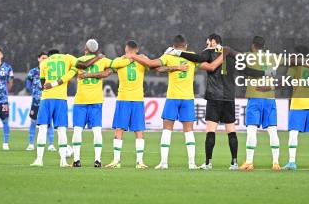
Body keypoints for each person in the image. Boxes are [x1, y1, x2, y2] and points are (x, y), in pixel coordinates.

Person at [129, 35, 221, 170]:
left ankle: (164, 163)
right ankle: (191, 164)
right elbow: (210, 67)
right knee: (189, 131)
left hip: (172, 98)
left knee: (167, 130)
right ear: (186, 45)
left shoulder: (168, 55)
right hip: (188, 98)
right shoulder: (192, 56)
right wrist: (223, 55)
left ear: (174, 46)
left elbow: (151, 65)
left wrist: (133, 56)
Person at [71, 39, 128, 168]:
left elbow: (82, 67)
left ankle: (76, 160)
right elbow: (116, 64)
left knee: (77, 130)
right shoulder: (103, 60)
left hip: (80, 100)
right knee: (97, 130)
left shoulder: (78, 60)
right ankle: (97, 160)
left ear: (85, 48)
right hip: (96, 100)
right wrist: (128, 58)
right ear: (97, 49)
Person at [101, 40, 148, 169]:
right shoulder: (142, 59)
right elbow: (151, 65)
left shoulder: (119, 60)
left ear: (126, 49)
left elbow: (112, 65)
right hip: (137, 100)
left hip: (124, 99)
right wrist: (135, 58)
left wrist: (129, 58)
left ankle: (116, 161)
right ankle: (140, 162)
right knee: (138, 131)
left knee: (119, 129)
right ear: (137, 49)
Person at [30, 49, 79, 167]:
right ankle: (63, 161)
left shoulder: (44, 63)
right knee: (61, 130)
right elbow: (78, 64)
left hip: (46, 99)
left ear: (49, 56)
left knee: (42, 129)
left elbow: (42, 83)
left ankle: (39, 160)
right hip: (61, 99)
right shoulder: (66, 59)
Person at [239, 36, 281, 171]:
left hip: (255, 96)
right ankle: (276, 162)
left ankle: (249, 162)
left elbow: (240, 64)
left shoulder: (248, 56)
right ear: (264, 45)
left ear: (253, 46)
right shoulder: (273, 57)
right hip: (270, 98)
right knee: (273, 130)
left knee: (252, 130)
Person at [282, 45, 309, 171]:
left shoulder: (295, 66)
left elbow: (287, 80)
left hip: (297, 103)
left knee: (293, 133)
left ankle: (291, 162)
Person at [25, 52, 55, 151]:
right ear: (39, 59)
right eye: (43, 58)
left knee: (49, 123)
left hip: (47, 101)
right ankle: (30, 144)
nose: (45, 60)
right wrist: (33, 93)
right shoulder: (33, 72)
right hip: (36, 102)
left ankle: (51, 145)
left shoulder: (51, 71)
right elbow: (28, 85)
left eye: (46, 58)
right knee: (33, 122)